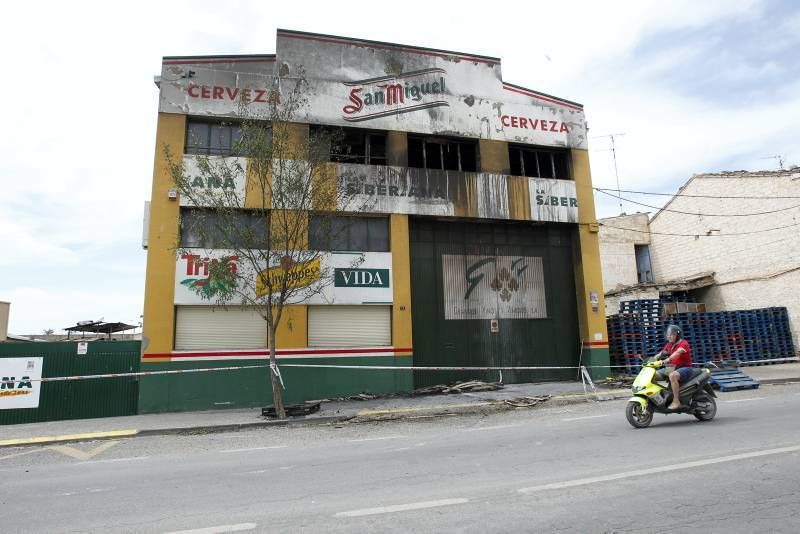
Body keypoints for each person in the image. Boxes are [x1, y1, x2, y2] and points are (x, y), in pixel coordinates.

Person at [656, 324, 693, 410]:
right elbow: (661, 353)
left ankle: (676, 400)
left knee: (672, 375)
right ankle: (662, 396)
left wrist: (667, 359)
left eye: (672, 334)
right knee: (653, 375)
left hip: (685, 368)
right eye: (669, 334)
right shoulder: (669, 344)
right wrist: (652, 360)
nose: (669, 336)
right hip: (673, 367)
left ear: (677, 335)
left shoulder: (684, 343)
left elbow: (677, 353)